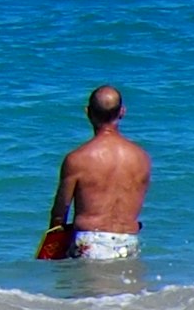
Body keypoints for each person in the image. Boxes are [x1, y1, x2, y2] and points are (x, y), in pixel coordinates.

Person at [42, 85, 149, 261]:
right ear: (122, 112)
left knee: (88, 289)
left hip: (90, 242)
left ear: (87, 112)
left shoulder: (77, 159)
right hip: (129, 240)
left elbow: (60, 213)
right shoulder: (142, 158)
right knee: (127, 289)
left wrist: (53, 247)